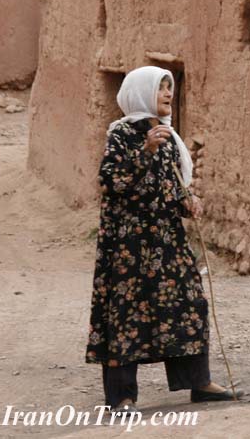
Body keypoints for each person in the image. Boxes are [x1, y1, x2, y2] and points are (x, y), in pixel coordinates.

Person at [85, 66, 241, 411]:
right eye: (161, 89)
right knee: (127, 314)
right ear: (142, 93)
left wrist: (188, 201)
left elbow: (169, 186)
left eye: (170, 88)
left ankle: (198, 383)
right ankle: (122, 396)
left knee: (189, 304)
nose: (169, 94)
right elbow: (112, 182)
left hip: (168, 242)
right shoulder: (123, 134)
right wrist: (145, 152)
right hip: (131, 247)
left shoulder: (167, 135)